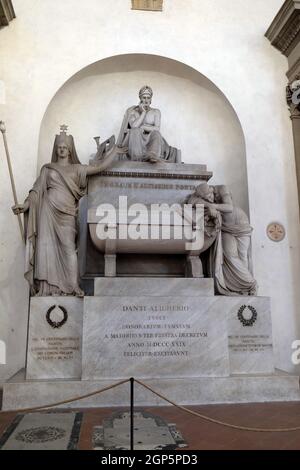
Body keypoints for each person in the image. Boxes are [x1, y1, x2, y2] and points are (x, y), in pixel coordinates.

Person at [12, 127, 117, 297]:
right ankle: (47, 288)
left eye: (64, 147)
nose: (61, 149)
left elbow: (100, 168)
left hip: (67, 214)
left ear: (69, 150)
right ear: (56, 149)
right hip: (48, 211)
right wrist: (25, 206)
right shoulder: (48, 169)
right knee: (46, 247)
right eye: (59, 147)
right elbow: (36, 191)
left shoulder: (77, 169)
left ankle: (73, 285)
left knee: (69, 248)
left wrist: (114, 152)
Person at [187, 183, 258, 296]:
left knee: (242, 256)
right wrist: (207, 204)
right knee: (230, 255)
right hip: (225, 227)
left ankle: (246, 288)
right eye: (206, 198)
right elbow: (191, 201)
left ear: (211, 189)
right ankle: (249, 283)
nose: (210, 199)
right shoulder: (202, 197)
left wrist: (212, 206)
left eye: (210, 196)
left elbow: (229, 207)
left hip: (241, 224)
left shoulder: (222, 189)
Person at [117, 85, 179, 163]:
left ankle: (152, 155)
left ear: (151, 99)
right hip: (136, 140)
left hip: (151, 139)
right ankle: (137, 157)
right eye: (144, 97)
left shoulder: (156, 112)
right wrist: (143, 112)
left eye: (148, 98)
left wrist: (143, 126)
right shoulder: (132, 111)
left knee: (156, 134)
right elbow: (134, 126)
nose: (146, 100)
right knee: (135, 131)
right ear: (140, 99)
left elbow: (157, 128)